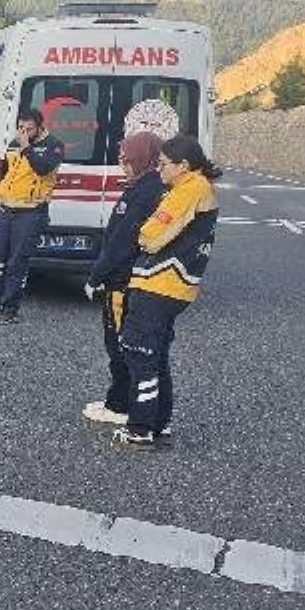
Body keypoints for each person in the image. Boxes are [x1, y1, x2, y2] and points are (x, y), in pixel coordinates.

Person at [113, 134, 220, 447]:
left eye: (163, 164)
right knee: (155, 354)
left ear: (183, 166)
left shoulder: (191, 189)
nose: (158, 170)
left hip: (161, 282)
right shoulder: (193, 186)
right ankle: (159, 424)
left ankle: (141, 428)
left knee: (139, 351)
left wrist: (143, 234)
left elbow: (152, 234)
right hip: (171, 285)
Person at [81, 132, 165, 426]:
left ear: (141, 159)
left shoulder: (144, 192)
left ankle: (119, 405)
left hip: (123, 281)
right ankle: (123, 402)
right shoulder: (146, 186)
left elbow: (121, 242)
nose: (122, 165)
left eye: (126, 159)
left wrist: (95, 276)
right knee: (126, 345)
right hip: (133, 279)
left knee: (118, 345)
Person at [0, 108, 64, 323]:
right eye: (21, 127)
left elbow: (43, 169)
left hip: (31, 212)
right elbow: (6, 171)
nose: (24, 132)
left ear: (40, 127)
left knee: (17, 262)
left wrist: (27, 147)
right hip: (6, 209)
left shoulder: (54, 145)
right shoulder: (14, 144)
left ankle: (10, 309)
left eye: (29, 128)